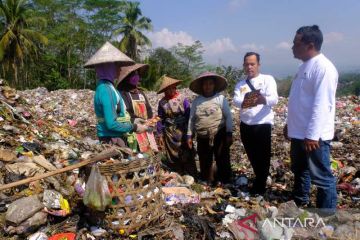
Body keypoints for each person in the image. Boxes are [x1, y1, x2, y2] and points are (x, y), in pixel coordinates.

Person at [284, 25, 338, 213]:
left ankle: (327, 214)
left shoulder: (323, 68)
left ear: (310, 45)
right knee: (300, 169)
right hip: (299, 132)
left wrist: (313, 135)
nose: (292, 46)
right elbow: (299, 100)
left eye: (296, 43)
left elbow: (322, 105)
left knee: (322, 177)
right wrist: (289, 124)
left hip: (314, 136)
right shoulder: (302, 67)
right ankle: (300, 199)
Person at [84, 41, 148, 146]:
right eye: (117, 66)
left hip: (115, 136)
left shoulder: (109, 87)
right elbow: (111, 124)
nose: (120, 69)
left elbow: (118, 115)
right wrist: (134, 127)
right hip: (111, 139)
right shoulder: (106, 90)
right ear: (109, 67)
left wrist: (134, 121)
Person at [233, 52, 278, 195]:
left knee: (263, 155)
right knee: (251, 154)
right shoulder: (240, 84)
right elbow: (236, 101)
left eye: (252, 64)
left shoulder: (267, 79)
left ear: (258, 65)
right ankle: (260, 177)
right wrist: (251, 100)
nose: (249, 67)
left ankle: (260, 184)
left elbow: (274, 99)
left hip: (262, 123)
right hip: (246, 124)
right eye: (246, 64)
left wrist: (262, 100)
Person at [187, 72, 233, 185]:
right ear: (202, 86)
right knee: (204, 159)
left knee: (222, 157)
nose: (208, 86)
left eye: (210, 84)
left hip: (219, 133)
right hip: (202, 136)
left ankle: (224, 180)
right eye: (205, 84)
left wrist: (229, 133)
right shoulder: (197, 101)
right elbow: (191, 119)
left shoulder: (220, 99)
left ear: (214, 85)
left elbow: (228, 116)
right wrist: (189, 135)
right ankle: (207, 179)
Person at [156, 75, 197, 177]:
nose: (170, 90)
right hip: (170, 132)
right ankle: (177, 172)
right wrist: (160, 133)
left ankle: (191, 173)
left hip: (182, 129)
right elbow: (160, 118)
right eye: (167, 89)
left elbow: (189, 115)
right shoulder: (162, 103)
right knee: (173, 153)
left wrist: (190, 133)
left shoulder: (182, 99)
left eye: (172, 88)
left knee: (186, 150)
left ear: (175, 87)